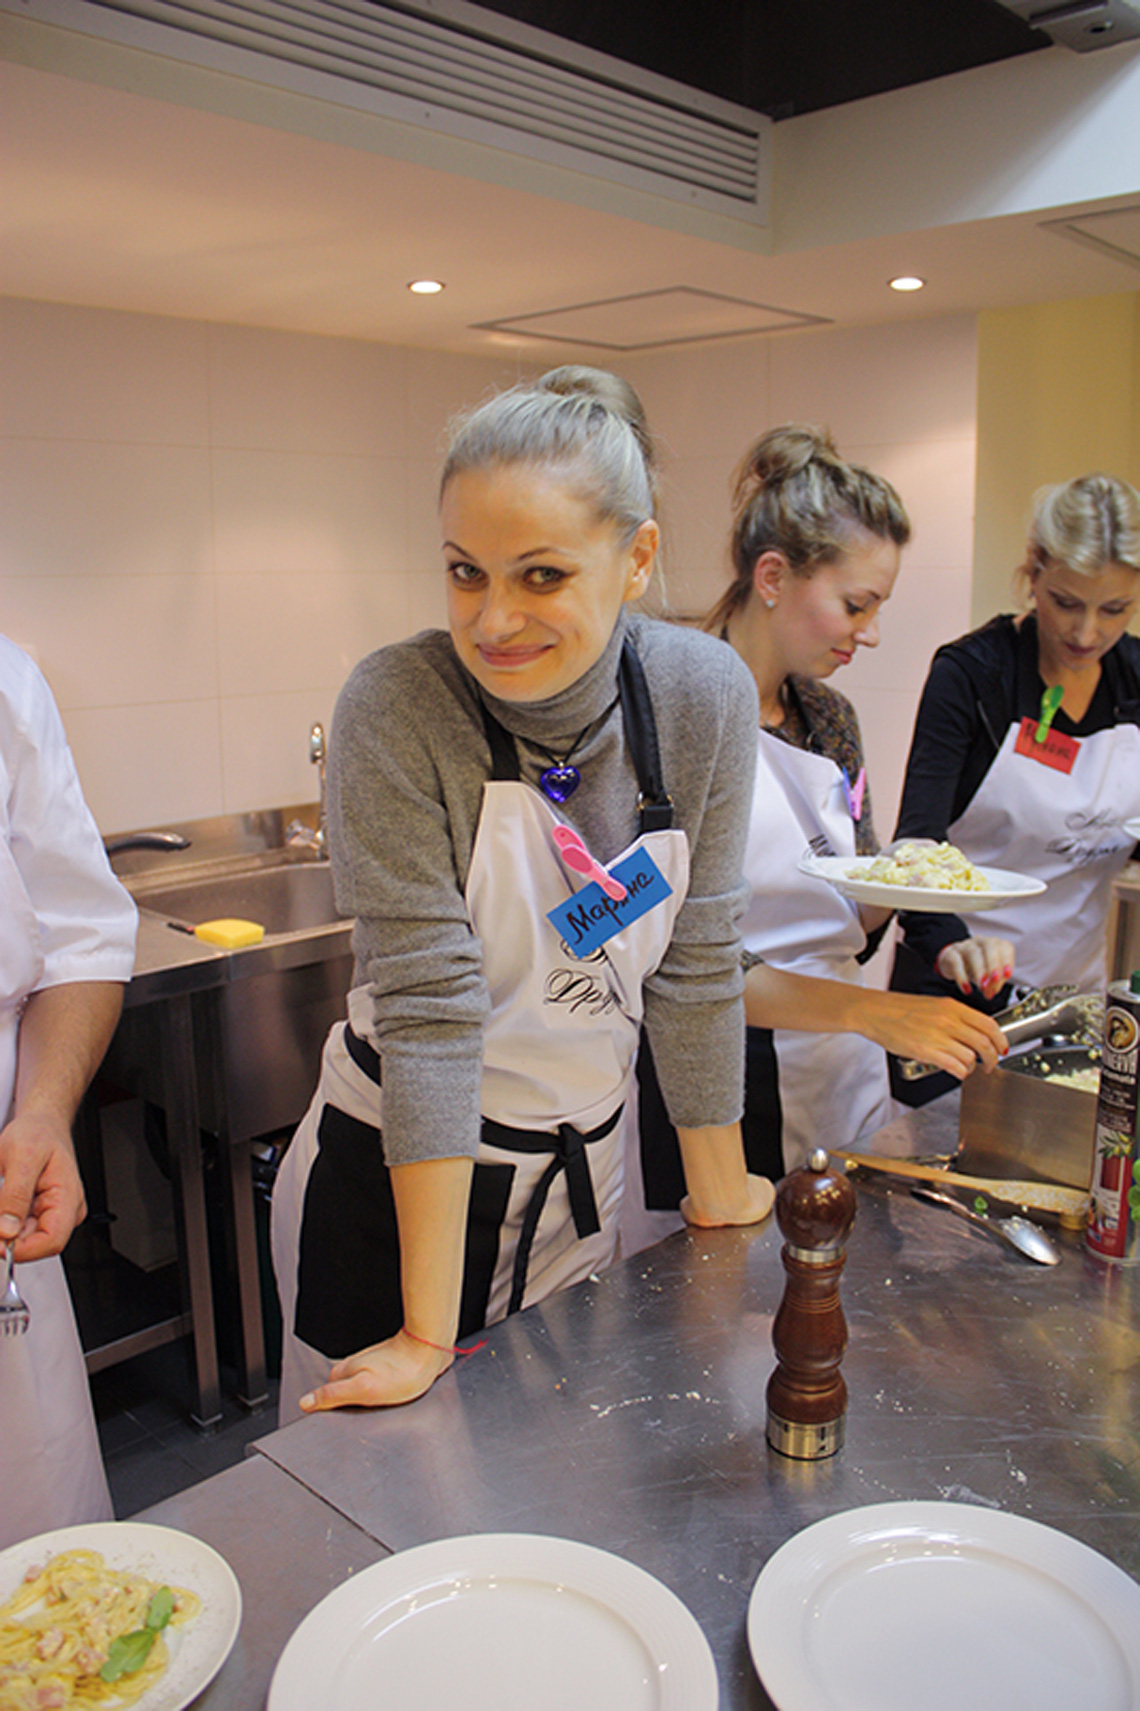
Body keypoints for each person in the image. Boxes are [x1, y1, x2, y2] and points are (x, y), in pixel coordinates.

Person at [271, 367, 774, 1424]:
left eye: (541, 576)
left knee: (551, 1477)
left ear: (635, 558)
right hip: (395, 1188)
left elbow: (696, 962)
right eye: (465, 573)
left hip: (578, 1177)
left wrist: (719, 1192)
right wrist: (423, 1331)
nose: (493, 620)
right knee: (392, 1519)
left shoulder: (701, 696)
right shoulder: (400, 705)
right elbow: (431, 1009)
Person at [640, 426, 1007, 1182]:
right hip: (715, 1072)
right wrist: (872, 1012)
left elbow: (853, 925)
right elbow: (670, 953)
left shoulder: (829, 718)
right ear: (772, 576)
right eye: (855, 605)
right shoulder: (673, 713)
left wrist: (917, 888)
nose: (870, 634)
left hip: (840, 1067)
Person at [890, 473, 1140, 1070]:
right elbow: (913, 845)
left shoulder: (1136, 679)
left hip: (1072, 1005)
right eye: (1066, 603)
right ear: (1032, 576)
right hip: (954, 999)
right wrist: (952, 942)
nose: (1087, 633)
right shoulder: (973, 676)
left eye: (1115, 610)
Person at [0, 634, 138, 1549]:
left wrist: (43, 1111)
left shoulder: (4, 680)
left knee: (53, 1620)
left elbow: (82, 933)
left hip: (5, 1216)